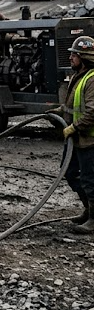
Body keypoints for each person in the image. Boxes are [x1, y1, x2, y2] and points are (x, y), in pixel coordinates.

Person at [60, 36, 94, 233]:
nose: (71, 57)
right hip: (75, 139)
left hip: (89, 140)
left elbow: (92, 111)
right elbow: (74, 105)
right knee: (71, 174)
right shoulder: (78, 76)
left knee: (90, 180)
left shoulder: (91, 79)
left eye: (75, 54)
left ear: (85, 57)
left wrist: (74, 127)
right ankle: (88, 210)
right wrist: (60, 111)